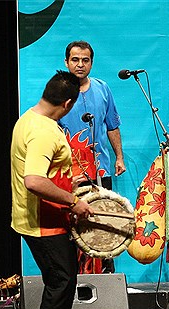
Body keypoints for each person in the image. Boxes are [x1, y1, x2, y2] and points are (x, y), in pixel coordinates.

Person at [11, 70, 94, 309]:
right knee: (62, 282)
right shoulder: (45, 131)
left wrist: (68, 183)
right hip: (43, 223)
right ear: (68, 103)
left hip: (38, 218)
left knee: (60, 282)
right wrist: (73, 200)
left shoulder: (29, 118)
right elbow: (33, 180)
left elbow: (41, 174)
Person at [59, 40, 126, 274]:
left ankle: (107, 280)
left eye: (85, 60)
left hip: (100, 171)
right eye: (75, 60)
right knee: (73, 230)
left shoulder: (103, 88)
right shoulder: (58, 91)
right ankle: (73, 280)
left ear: (91, 63)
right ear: (66, 62)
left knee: (103, 227)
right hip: (70, 175)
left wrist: (119, 157)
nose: (80, 65)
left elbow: (112, 126)